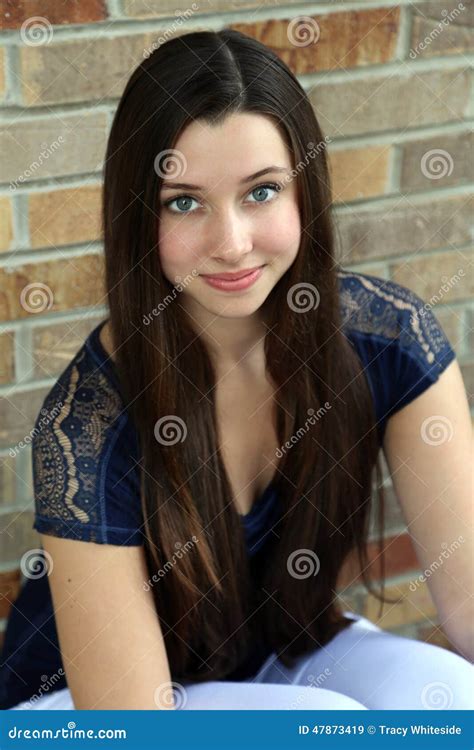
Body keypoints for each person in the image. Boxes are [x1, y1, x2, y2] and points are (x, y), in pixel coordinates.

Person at [1, 28, 472, 711]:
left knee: (453, 697)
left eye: (261, 193)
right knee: (330, 726)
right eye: (184, 202)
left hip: (279, 658)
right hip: (90, 712)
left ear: (304, 190)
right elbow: (134, 726)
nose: (231, 243)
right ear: (140, 217)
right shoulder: (87, 427)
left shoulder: (388, 339)